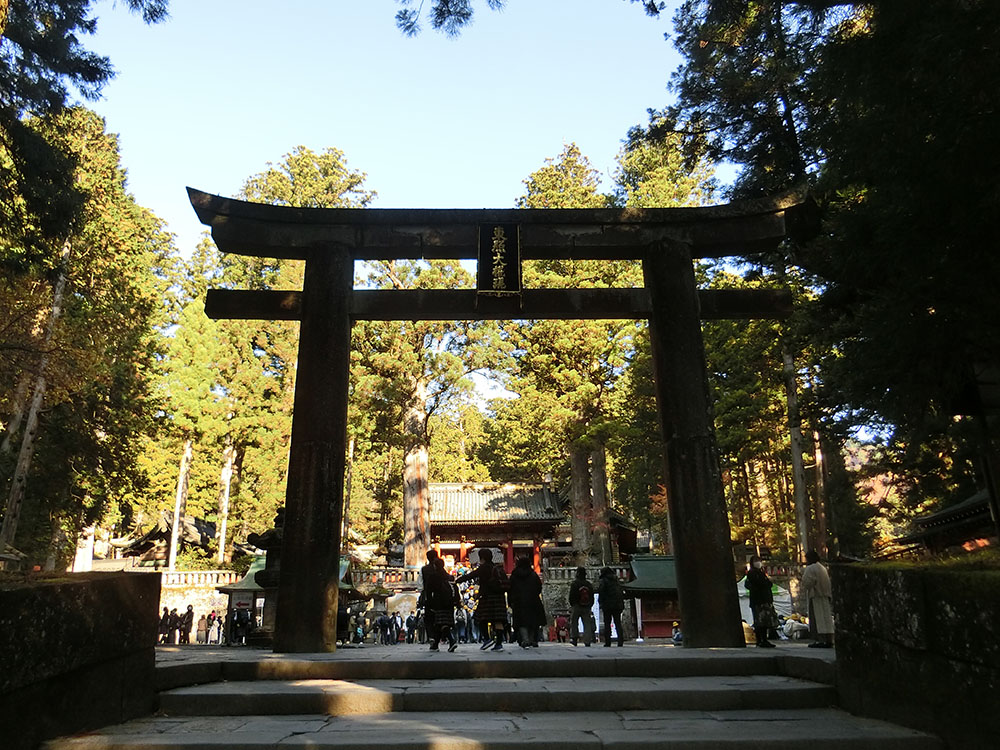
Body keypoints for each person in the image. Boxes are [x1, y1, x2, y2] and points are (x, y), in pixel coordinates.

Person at [456, 548, 508, 651]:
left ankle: (487, 638)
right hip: (499, 597)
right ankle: (498, 644)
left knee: (480, 618)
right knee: (498, 621)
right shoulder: (497, 568)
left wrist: (458, 580)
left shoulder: (483, 568)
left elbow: (470, 575)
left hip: (487, 597)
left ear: (482, 557)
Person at [508, 556, 545, 648]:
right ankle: (532, 639)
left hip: (518, 601)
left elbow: (510, 589)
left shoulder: (514, 575)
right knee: (533, 621)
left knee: (521, 622)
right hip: (533, 601)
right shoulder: (533, 575)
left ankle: (525, 639)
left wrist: (510, 601)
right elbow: (539, 587)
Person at [801, 549, 834, 648]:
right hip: (825, 595)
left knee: (817, 619)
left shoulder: (810, 568)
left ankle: (820, 639)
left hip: (816, 595)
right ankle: (829, 639)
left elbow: (807, 582)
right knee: (827, 619)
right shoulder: (822, 568)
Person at [744, 555, 777, 648]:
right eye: (756, 561)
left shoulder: (761, 572)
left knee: (764, 621)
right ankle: (761, 640)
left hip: (764, 599)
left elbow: (768, 584)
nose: (758, 562)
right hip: (758, 600)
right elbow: (761, 583)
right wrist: (766, 582)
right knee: (760, 621)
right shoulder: (752, 573)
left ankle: (763, 639)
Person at [596, 566, 625, 647]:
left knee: (607, 623)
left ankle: (608, 641)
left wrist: (600, 602)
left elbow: (601, 592)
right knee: (618, 623)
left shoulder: (604, 581)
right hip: (617, 605)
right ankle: (620, 641)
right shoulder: (617, 581)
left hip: (607, 605)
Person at [568, 567, 596, 647]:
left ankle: (574, 638)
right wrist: (590, 604)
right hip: (586, 606)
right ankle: (587, 640)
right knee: (587, 623)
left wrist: (572, 604)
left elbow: (571, 595)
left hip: (576, 605)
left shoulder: (575, 584)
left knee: (574, 622)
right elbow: (591, 595)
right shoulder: (588, 584)